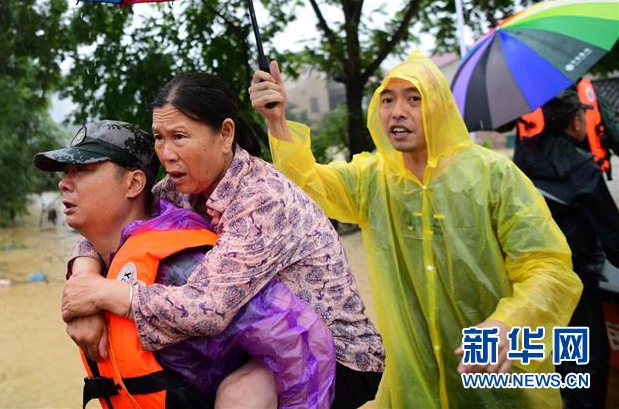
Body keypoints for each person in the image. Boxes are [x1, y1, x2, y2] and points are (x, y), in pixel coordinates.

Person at [249, 50, 583, 408]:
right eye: (387, 100)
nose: (398, 112)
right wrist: (277, 123)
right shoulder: (373, 180)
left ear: (439, 107)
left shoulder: (493, 176)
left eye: (414, 99)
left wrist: (508, 324)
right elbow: (309, 184)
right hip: (414, 384)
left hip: (498, 378)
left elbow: (548, 267)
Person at [61, 75, 385, 409]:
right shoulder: (179, 188)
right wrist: (85, 278)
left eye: (180, 137)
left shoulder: (260, 198)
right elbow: (121, 221)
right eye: (159, 137)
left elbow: (207, 310)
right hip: (261, 338)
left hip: (337, 352)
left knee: (238, 394)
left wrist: (101, 294)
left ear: (225, 133)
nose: (167, 154)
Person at [36, 119, 336, 408]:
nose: (64, 183)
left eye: (82, 170)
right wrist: (82, 288)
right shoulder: (102, 259)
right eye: (65, 172)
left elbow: (297, 336)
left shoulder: (181, 267)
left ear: (134, 184)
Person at [514, 91, 619, 409]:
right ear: (576, 121)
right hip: (576, 279)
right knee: (589, 359)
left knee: (553, 355)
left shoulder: (523, 158)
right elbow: (612, 233)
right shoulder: (583, 168)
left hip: (532, 279)